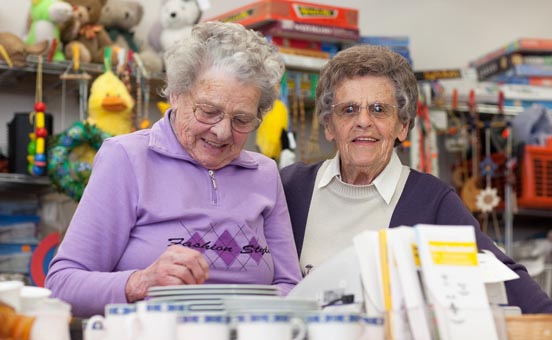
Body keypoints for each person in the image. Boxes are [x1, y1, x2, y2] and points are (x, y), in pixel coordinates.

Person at [45, 21, 302, 317]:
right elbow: (62, 284)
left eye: (242, 120)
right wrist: (140, 282)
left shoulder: (265, 174)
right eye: (209, 111)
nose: (222, 131)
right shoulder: (127, 158)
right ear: (177, 95)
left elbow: (290, 285)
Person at [280, 44, 552, 313]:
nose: (363, 121)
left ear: (403, 125)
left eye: (378, 109)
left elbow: (522, 294)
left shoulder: (433, 202)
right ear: (329, 125)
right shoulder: (290, 188)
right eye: (349, 109)